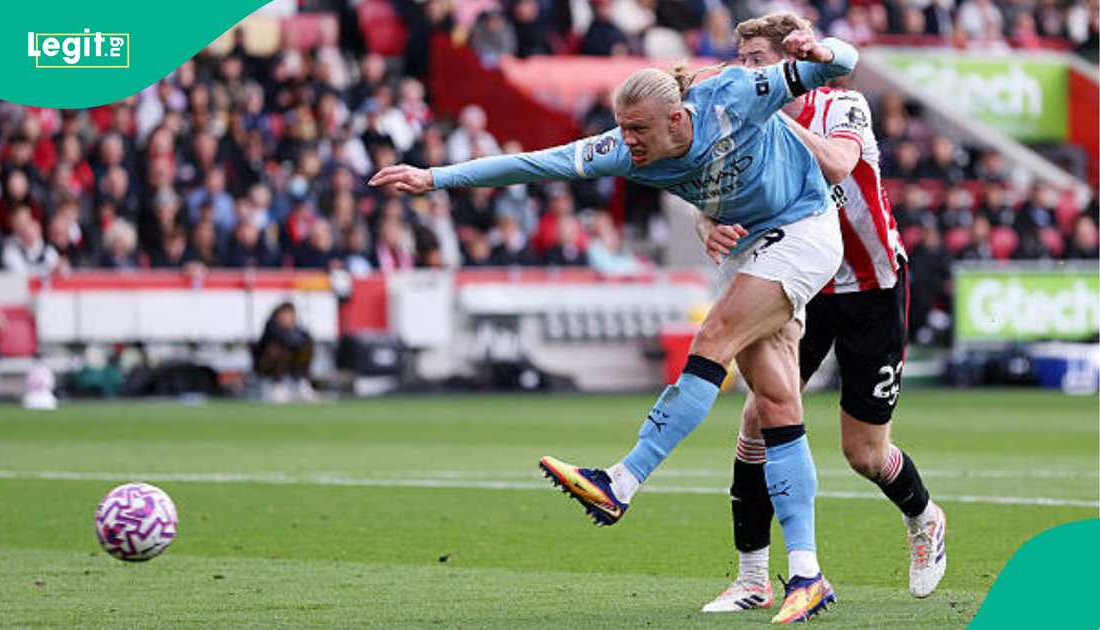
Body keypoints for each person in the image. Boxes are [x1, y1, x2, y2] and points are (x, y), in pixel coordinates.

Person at [372, 26, 857, 624]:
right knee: (777, 404)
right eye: (622, 128)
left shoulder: (734, 95)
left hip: (804, 228)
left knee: (712, 339)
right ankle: (807, 574)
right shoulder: (624, 151)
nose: (628, 142)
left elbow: (844, 61)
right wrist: (435, 177)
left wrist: (821, 51)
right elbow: (533, 164)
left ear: (677, 119)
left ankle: (622, 481)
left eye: (639, 130)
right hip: (749, 245)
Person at [695, 13, 946, 615]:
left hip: (872, 286)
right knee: (757, 420)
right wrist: (707, 225)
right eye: (741, 61)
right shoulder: (743, 125)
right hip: (800, 287)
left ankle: (924, 517)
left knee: (864, 453)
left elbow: (837, 164)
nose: (745, 72)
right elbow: (707, 190)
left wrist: (774, 115)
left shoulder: (840, 105)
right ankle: (753, 578)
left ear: (789, 63)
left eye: (757, 60)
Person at [253, 302, 315, 403]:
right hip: (266, 366)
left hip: (291, 367)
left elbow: (306, 339)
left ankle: (299, 382)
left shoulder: (296, 328)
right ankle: (277, 385)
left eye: (290, 314)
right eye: (285, 313)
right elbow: (285, 340)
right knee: (280, 350)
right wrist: (293, 336)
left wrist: (294, 333)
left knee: (305, 349)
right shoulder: (271, 325)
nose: (288, 317)